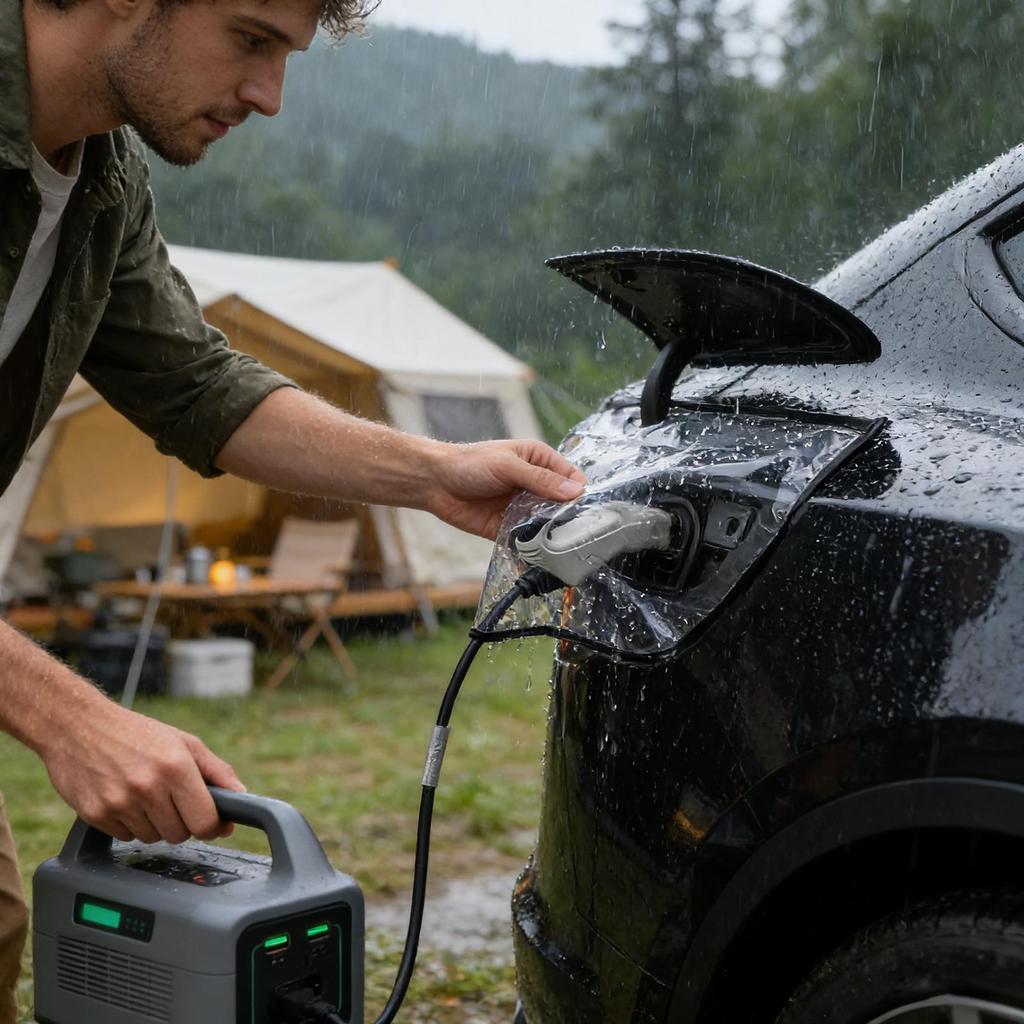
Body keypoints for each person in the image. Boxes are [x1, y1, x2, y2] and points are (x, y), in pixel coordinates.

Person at [0, 0, 587, 1017]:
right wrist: (70, 718)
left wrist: (432, 470)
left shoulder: (101, 179)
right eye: (250, 38)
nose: (269, 97)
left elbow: (198, 384)